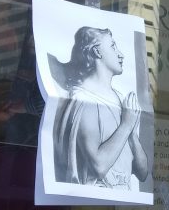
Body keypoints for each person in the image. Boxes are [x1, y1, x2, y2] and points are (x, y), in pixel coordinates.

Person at [53, 26, 148, 189]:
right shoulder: (84, 100)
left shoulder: (120, 99)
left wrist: (131, 132)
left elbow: (143, 173)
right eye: (113, 46)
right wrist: (126, 125)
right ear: (97, 52)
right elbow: (98, 167)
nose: (121, 54)